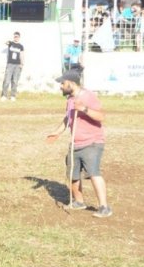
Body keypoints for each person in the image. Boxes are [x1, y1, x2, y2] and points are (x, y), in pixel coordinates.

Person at [47, 70, 112, 218]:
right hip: (75, 144)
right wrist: (57, 132)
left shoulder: (88, 96)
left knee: (93, 172)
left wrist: (84, 109)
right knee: (73, 174)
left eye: (62, 83)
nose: (60, 86)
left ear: (71, 83)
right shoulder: (70, 99)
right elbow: (68, 119)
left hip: (92, 142)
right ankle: (79, 202)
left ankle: (104, 207)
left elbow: (101, 116)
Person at [1, 32, 25, 102]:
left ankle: (13, 96)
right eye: (15, 36)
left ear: (19, 37)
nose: (16, 38)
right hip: (10, 64)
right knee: (7, 80)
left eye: (17, 37)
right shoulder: (11, 44)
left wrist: (22, 64)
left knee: (15, 81)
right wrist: (9, 41)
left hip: (17, 65)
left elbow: (22, 55)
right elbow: (5, 42)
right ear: (13, 37)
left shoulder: (21, 46)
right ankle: (4, 95)